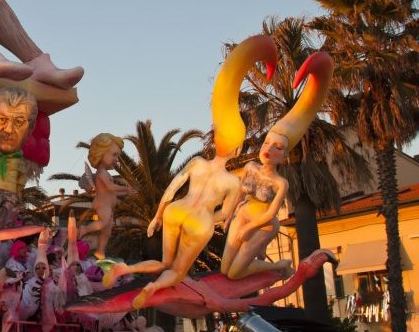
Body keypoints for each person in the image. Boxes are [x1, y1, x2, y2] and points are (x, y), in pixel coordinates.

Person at [102, 35, 278, 309]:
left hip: (177, 210)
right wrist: (230, 221)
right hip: (200, 221)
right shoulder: (232, 182)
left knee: (163, 260)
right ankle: (152, 286)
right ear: (238, 148)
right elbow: (225, 217)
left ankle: (124, 269)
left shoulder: (197, 164)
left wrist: (158, 216)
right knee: (176, 272)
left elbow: (172, 189)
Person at [221, 51, 333, 279]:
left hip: (262, 226)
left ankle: (278, 266)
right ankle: (272, 266)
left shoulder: (280, 183)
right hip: (243, 216)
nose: (268, 149)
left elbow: (272, 213)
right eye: (267, 143)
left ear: (284, 158)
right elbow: (240, 195)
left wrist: (248, 229)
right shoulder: (251, 167)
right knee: (225, 269)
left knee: (234, 274)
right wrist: (229, 217)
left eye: (277, 148)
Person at [0, 87, 38, 230]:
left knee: (1, 222)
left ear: (31, 128)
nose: (8, 129)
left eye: (18, 122)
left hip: (9, 196)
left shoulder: (20, 163)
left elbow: (20, 181)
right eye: (2, 119)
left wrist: (17, 194)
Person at [78, 133, 132, 259]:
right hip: (103, 205)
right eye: (114, 155)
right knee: (103, 223)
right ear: (101, 154)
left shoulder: (106, 173)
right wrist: (125, 188)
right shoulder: (101, 173)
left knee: (106, 231)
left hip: (108, 205)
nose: (117, 159)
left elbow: (112, 192)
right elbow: (110, 187)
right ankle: (84, 229)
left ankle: (100, 252)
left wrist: (127, 193)